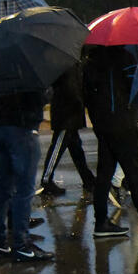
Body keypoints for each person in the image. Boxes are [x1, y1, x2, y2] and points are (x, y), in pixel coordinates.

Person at [83, 46, 138, 238]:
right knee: (135, 172)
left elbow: (87, 96)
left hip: (103, 124)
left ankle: (101, 222)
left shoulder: (91, 62)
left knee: (104, 174)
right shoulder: (125, 58)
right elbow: (136, 88)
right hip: (125, 122)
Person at [0, 89, 54, 262]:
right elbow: (38, 96)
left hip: (0, 126)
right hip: (22, 127)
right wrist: (47, 92)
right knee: (24, 189)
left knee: (3, 188)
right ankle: (22, 244)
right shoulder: (25, 71)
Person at [37, 64, 96, 197]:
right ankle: (46, 180)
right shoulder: (66, 64)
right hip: (66, 113)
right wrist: (79, 101)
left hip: (70, 112)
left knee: (76, 149)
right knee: (58, 147)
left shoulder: (68, 62)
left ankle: (87, 178)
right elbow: (71, 87)